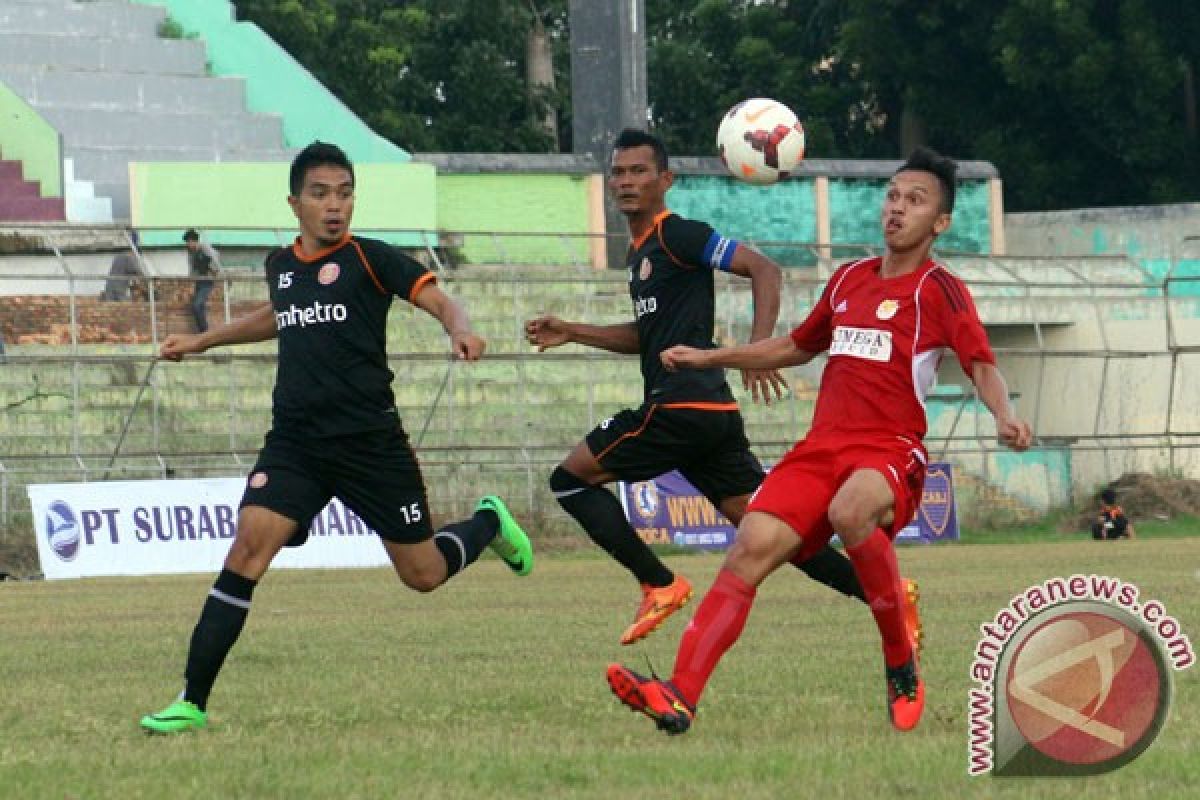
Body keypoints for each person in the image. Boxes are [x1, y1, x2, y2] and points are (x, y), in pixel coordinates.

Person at [606, 146, 1033, 735]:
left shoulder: (940, 291)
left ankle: (899, 663)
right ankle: (679, 694)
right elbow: (798, 346)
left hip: (889, 449)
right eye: (892, 197)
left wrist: (1004, 415)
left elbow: (982, 364)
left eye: (915, 201)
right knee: (750, 545)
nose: (897, 210)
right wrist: (713, 355)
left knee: (852, 510)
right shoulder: (850, 279)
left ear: (940, 223)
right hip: (821, 449)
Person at [140, 141, 534, 734]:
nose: (335, 206)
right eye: (322, 194)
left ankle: (487, 524)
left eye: (345, 194)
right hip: (297, 443)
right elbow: (279, 314)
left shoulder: (373, 260)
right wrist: (201, 341)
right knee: (249, 545)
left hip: (369, 445)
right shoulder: (281, 266)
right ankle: (191, 701)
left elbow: (440, 300)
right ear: (295, 202)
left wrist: (463, 330)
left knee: (423, 574)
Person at [525, 128, 921, 649]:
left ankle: (658, 583)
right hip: (709, 415)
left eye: (639, 171)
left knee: (570, 479)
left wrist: (758, 351)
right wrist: (574, 331)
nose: (625, 181)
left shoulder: (678, 235)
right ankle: (887, 593)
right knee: (775, 534)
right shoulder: (641, 252)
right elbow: (647, 338)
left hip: (680, 407)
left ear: (664, 180)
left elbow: (764, 269)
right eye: (618, 172)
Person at [183, 228, 221, 332]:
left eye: (190, 241)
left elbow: (216, 265)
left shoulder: (205, 249)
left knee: (197, 305)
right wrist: (190, 282)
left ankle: (204, 331)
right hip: (199, 280)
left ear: (194, 241)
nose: (188, 244)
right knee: (197, 306)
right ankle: (202, 330)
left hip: (208, 281)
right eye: (187, 242)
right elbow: (192, 269)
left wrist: (210, 270)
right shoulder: (191, 253)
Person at [100, 232, 145, 302]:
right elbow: (135, 270)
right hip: (119, 288)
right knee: (124, 306)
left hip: (109, 286)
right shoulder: (130, 257)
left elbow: (131, 272)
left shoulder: (119, 256)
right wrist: (145, 278)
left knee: (110, 306)